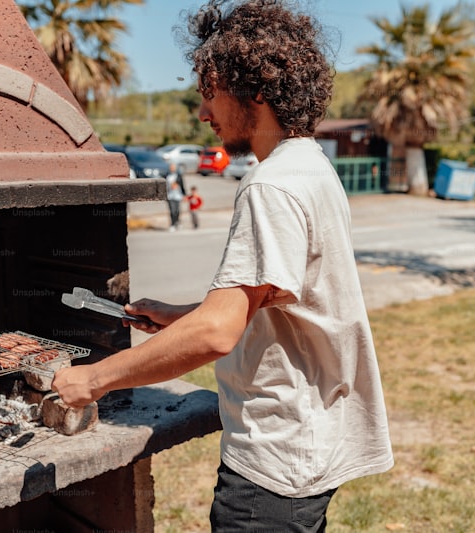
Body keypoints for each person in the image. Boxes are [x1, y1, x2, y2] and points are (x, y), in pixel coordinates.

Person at [52, 1, 394, 530]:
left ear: (254, 88)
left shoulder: (270, 186)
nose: (203, 114)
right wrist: (179, 313)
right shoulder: (310, 166)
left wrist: (94, 379)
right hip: (309, 448)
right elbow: (270, 297)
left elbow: (216, 334)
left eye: (209, 94)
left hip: (272, 468)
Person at [166, 165, 184, 231]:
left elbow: (182, 185)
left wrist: (184, 194)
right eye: (171, 168)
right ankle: (172, 224)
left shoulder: (178, 176)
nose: (172, 169)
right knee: (172, 211)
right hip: (170, 196)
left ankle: (177, 222)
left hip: (178, 195)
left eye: (173, 168)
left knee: (177, 211)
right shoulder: (167, 176)